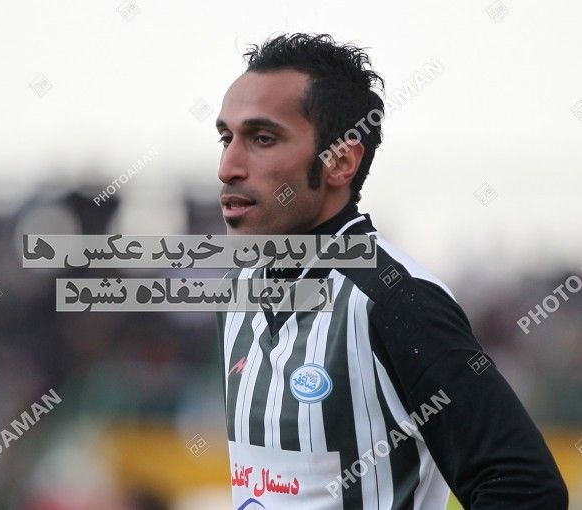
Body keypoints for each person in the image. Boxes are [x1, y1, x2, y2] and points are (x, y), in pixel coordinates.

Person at [214, 33, 568, 509]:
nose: (228, 167)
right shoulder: (237, 289)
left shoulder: (397, 299)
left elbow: (525, 487)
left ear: (340, 161)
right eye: (226, 138)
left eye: (262, 139)